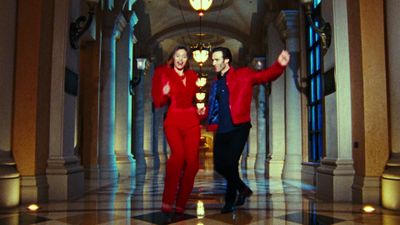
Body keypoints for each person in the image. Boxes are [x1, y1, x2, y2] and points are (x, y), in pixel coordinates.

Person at [207, 47, 290, 213]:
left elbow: (264, 76)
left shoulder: (243, 74)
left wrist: (279, 65)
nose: (213, 63)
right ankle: (243, 189)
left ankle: (229, 202)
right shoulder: (215, 84)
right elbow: (214, 108)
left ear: (226, 61)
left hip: (239, 127)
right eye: (213, 60)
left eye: (216, 59)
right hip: (221, 129)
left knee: (231, 164)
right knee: (220, 165)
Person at [151, 45, 204, 214]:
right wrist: (164, 92)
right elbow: (157, 102)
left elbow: (190, 102)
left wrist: (200, 111)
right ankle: (167, 200)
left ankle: (181, 201)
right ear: (172, 57)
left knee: (193, 164)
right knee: (178, 156)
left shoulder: (192, 76)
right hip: (173, 121)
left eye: (184, 56)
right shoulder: (162, 73)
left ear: (187, 59)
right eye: (178, 55)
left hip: (191, 121)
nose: (181, 59)